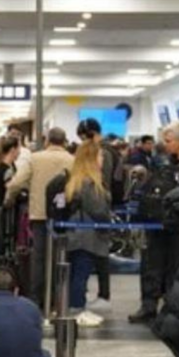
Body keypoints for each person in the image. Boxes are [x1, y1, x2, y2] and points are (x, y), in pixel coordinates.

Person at [129, 121, 179, 325]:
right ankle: (148, 305)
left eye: (169, 140)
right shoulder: (159, 164)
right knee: (151, 265)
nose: (165, 144)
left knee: (178, 267)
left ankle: (173, 308)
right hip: (156, 225)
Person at [6, 127, 74, 306]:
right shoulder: (72, 160)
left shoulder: (35, 159)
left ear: (47, 141)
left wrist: (9, 198)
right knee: (59, 257)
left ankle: (36, 298)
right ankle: (57, 299)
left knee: (39, 258)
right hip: (63, 216)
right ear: (64, 141)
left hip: (39, 214)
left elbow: (16, 183)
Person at [63, 138, 112, 328]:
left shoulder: (75, 180)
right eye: (100, 155)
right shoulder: (91, 184)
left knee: (77, 273)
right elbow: (99, 210)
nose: (102, 159)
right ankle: (77, 310)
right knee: (81, 274)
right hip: (87, 235)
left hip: (75, 233)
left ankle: (76, 306)